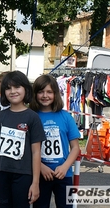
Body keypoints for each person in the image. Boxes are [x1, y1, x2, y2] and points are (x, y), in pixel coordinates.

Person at [0, 71, 46, 208]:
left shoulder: (32, 118)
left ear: (25, 88)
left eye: (17, 87)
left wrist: (36, 182)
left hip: (24, 174)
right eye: (8, 88)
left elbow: (36, 152)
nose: (12, 91)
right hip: (2, 174)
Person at [29, 74, 80, 208]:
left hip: (64, 174)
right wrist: (41, 167)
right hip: (40, 174)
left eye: (49, 92)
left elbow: (75, 148)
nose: (45, 95)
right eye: (41, 91)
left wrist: (65, 167)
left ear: (56, 94)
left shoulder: (66, 117)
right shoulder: (31, 117)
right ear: (35, 94)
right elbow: (27, 148)